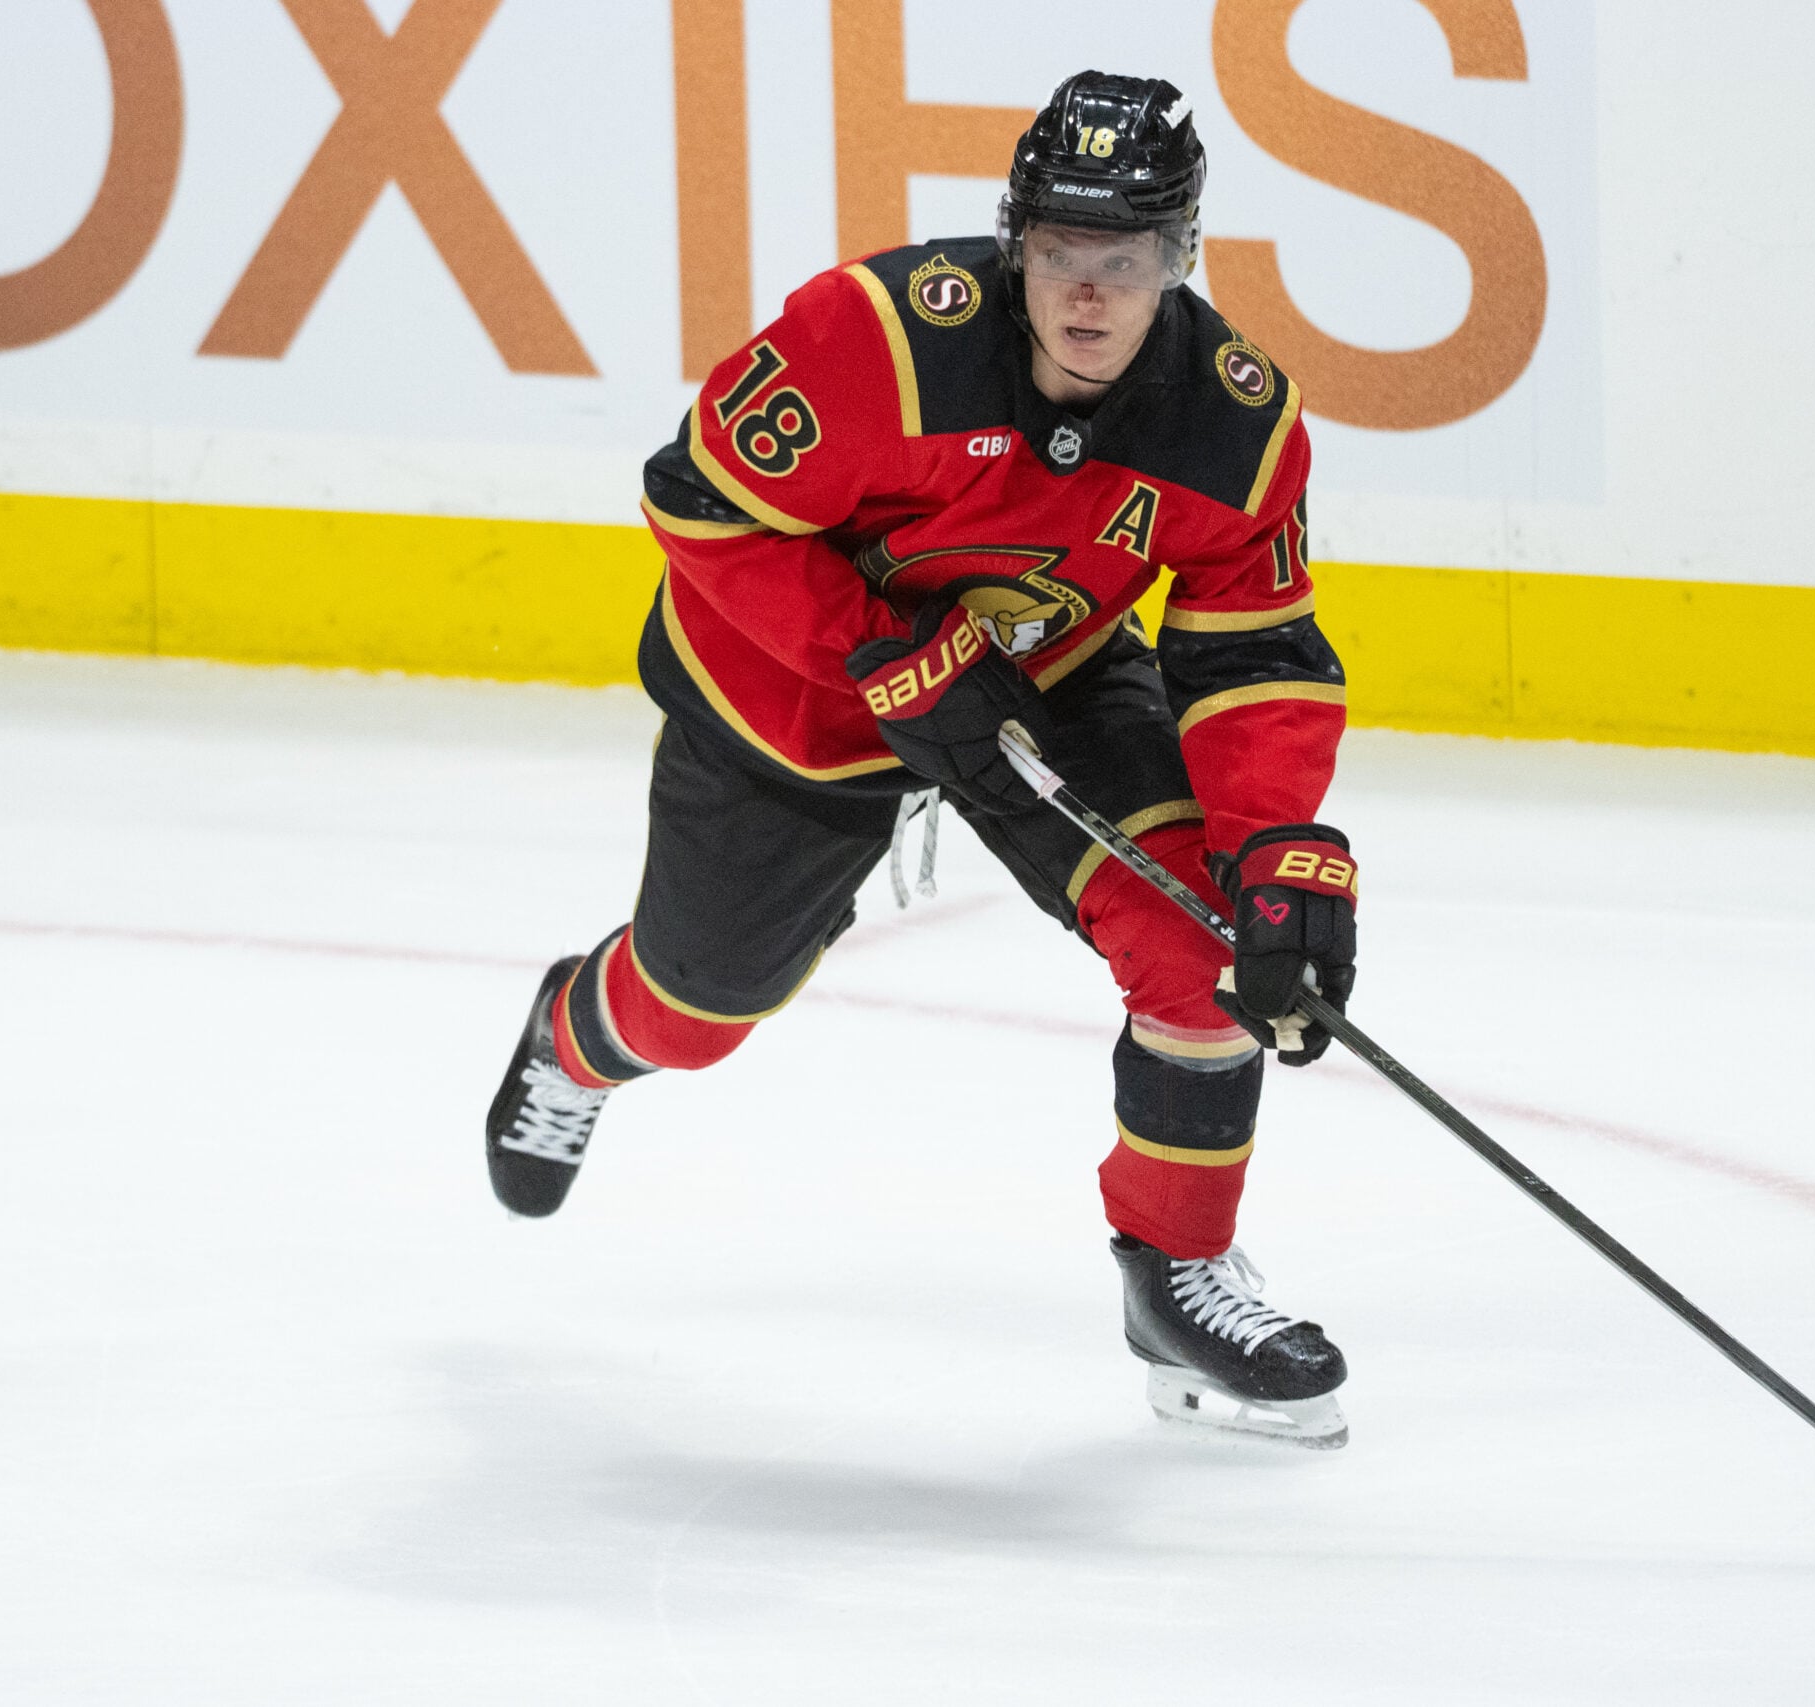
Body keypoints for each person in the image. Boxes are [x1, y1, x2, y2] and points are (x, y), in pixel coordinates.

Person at [483, 71, 1361, 1447]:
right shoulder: (874, 341)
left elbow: (1250, 657)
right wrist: (875, 648)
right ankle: (575, 1038)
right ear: (1017, 244)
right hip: (796, 699)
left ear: (1181, 260)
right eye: (1061, 253)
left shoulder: (1236, 429)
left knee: (1201, 934)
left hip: (1042, 680)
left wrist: (1279, 854)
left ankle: (1175, 1273)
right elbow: (699, 506)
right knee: (700, 1005)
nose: (1086, 294)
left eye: (1123, 261)